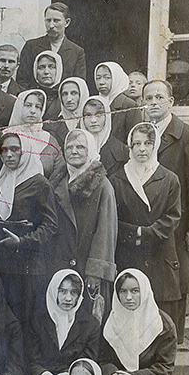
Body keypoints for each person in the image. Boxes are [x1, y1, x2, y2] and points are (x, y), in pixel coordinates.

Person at [143, 80, 189, 340]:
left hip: (179, 224)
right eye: (149, 98)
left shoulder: (188, 135)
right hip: (152, 222)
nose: (153, 102)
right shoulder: (142, 135)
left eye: (159, 97)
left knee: (176, 282)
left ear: (171, 102)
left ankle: (173, 341)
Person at [0, 130, 58, 331]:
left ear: (25, 151)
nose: (8, 155)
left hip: (28, 267)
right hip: (2, 264)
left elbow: (50, 225)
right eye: (4, 150)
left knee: (26, 324)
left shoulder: (39, 183)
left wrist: (23, 241)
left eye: (15, 150)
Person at [110, 122, 183, 320]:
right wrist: (134, 234)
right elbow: (113, 219)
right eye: (137, 144)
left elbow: (173, 216)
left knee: (160, 319)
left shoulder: (169, 179)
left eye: (147, 143)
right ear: (130, 146)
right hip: (129, 255)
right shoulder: (117, 179)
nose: (142, 149)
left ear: (155, 145)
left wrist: (147, 233)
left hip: (160, 257)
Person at [17, 269, 101, 375]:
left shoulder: (89, 324)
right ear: (54, 291)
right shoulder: (38, 319)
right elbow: (30, 358)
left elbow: (89, 360)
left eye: (73, 292)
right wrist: (43, 374)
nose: (68, 298)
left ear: (79, 295)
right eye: (62, 291)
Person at [47, 129, 118, 321]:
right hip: (58, 263)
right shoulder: (57, 181)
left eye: (80, 147)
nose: (74, 151)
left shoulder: (102, 186)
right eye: (69, 147)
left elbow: (106, 232)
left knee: (86, 322)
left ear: (91, 150)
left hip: (85, 267)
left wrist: (95, 272)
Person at [17, 3, 88, 86]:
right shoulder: (31, 46)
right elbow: (22, 80)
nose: (51, 25)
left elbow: (79, 84)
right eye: (48, 20)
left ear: (67, 22)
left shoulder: (76, 52)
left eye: (56, 21)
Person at [7, 89, 62, 179]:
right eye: (28, 105)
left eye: (38, 107)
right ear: (19, 107)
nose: (33, 111)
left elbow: (59, 171)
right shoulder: (5, 137)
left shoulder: (48, 139)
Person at [93, 61, 142, 145]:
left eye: (107, 77)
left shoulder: (129, 105)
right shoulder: (93, 104)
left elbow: (135, 140)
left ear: (117, 79)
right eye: (98, 78)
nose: (101, 82)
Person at [80, 96, 128, 177]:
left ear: (106, 117)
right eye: (88, 115)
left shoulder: (121, 151)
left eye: (99, 114)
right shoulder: (75, 148)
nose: (93, 120)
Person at [46, 76, 90, 149]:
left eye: (74, 93)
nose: (69, 99)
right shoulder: (52, 125)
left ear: (82, 94)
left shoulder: (91, 123)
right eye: (65, 94)